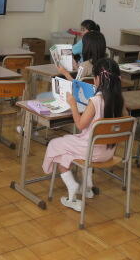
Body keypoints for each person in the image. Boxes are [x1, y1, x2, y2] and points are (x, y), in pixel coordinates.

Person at [42, 57, 124, 212]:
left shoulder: (96, 101)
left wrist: (73, 105)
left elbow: (80, 125)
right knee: (66, 152)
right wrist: (66, 74)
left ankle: (73, 186)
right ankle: (86, 187)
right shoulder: (119, 100)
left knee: (55, 144)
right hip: (108, 152)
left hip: (91, 151)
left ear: (98, 79)